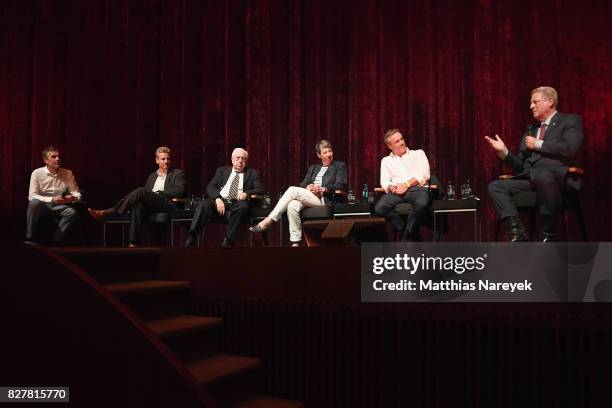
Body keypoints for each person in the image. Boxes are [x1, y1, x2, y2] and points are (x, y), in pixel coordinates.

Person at [485, 86, 584, 242]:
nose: (531, 106)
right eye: (531, 103)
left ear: (550, 101)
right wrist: (504, 152)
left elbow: (570, 148)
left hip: (558, 181)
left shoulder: (569, 121)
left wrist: (538, 144)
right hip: (531, 180)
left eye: (535, 102)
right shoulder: (531, 130)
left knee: (545, 176)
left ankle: (547, 237)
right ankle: (517, 234)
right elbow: (521, 167)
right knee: (495, 186)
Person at [249, 139, 348, 246]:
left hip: (326, 198)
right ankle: (295, 242)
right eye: (325, 152)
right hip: (312, 198)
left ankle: (269, 220)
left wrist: (323, 189)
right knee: (292, 205)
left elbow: (340, 184)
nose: (329, 154)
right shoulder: (314, 168)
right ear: (319, 155)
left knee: (292, 190)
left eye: (330, 151)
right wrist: (308, 186)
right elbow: (302, 184)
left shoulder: (339, 166)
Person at [88, 146, 187, 247]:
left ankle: (109, 212)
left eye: (168, 158)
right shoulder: (152, 176)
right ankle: (133, 243)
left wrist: (159, 193)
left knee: (141, 191)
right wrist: (151, 195)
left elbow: (178, 192)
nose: (166, 161)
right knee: (138, 205)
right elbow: (147, 195)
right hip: (152, 205)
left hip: (168, 204)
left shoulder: (178, 173)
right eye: (163, 159)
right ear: (157, 160)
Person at [185, 148, 262, 247]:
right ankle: (192, 236)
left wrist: (246, 193)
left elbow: (259, 189)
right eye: (238, 158)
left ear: (246, 161)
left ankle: (229, 239)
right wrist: (217, 199)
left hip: (238, 202)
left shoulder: (252, 173)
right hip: (221, 199)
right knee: (204, 204)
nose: (240, 161)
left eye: (243, 159)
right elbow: (210, 187)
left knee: (243, 207)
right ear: (232, 159)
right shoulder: (222, 171)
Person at [374, 129, 431, 241]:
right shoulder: (386, 161)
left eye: (401, 139)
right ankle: (403, 228)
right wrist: (391, 187)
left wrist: (406, 184)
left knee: (423, 203)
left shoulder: (418, 154)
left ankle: (407, 234)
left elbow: (424, 174)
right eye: (397, 141)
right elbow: (384, 182)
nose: (401, 142)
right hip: (396, 192)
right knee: (379, 208)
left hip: (416, 189)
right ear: (390, 146)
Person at [27, 146, 82, 244]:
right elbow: (32, 196)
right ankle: (30, 237)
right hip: (42, 205)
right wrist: (52, 199)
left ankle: (56, 240)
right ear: (45, 160)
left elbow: (76, 193)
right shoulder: (37, 173)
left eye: (58, 156)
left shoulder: (67, 173)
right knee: (34, 203)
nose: (58, 159)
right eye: (53, 157)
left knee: (71, 212)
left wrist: (72, 197)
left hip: (59, 205)